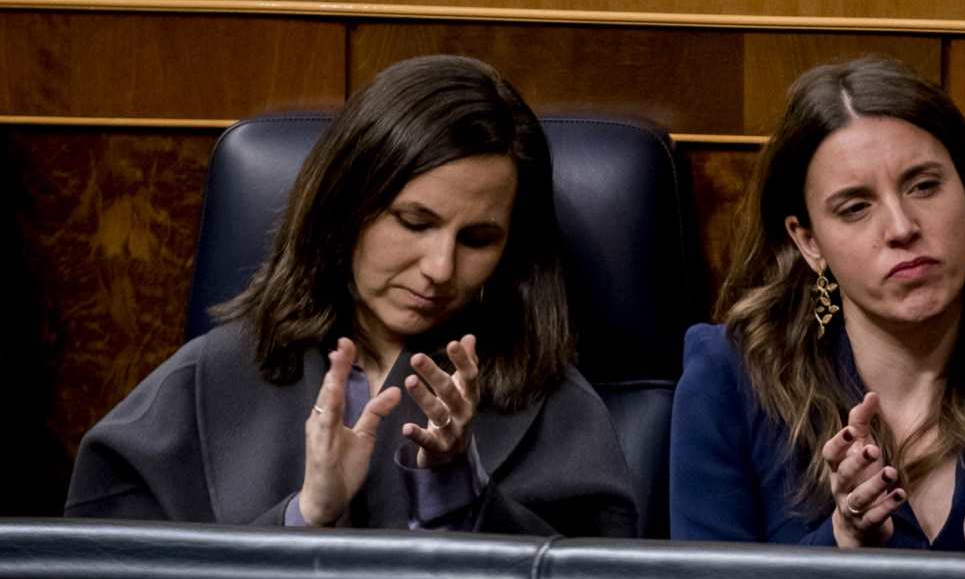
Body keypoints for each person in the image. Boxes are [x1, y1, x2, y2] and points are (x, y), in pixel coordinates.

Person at [66, 55, 639, 537]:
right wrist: (306, 515)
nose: (440, 269)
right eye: (414, 223)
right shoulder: (211, 375)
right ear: (345, 209)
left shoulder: (552, 402)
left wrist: (460, 493)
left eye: (478, 238)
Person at [670, 57, 965, 556]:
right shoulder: (731, 381)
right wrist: (843, 542)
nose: (901, 228)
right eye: (855, 207)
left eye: (924, 186)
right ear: (809, 242)